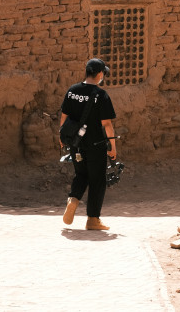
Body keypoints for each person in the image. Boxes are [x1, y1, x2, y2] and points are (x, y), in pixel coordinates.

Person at [59, 57, 117, 230]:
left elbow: (64, 118)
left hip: (76, 144)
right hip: (96, 144)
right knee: (97, 180)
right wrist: (113, 148)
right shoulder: (101, 95)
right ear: (99, 74)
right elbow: (107, 124)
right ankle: (93, 219)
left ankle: (73, 199)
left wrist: (62, 139)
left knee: (81, 175)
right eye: (102, 73)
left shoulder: (72, 91)